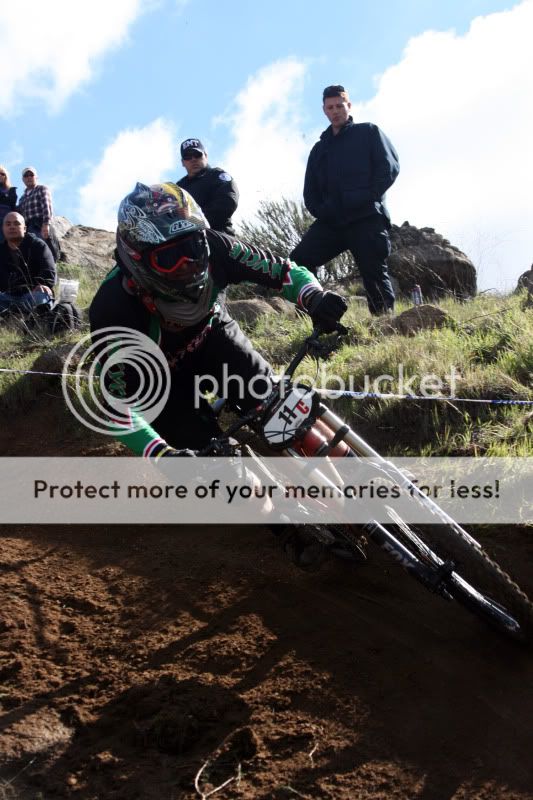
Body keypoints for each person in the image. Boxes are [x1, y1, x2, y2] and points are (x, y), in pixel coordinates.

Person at [89, 182, 347, 459]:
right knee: (215, 470)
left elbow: (284, 272)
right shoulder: (112, 309)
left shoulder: (215, 245)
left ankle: (359, 476)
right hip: (161, 385)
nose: (187, 263)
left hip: (214, 339)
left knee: (288, 413)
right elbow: (118, 406)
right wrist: (161, 454)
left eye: (192, 246)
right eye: (169, 258)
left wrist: (315, 298)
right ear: (137, 259)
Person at [290, 85, 400, 315]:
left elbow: (389, 169)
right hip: (333, 221)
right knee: (299, 261)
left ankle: (384, 324)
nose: (336, 111)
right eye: (330, 107)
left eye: (340, 105)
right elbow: (310, 193)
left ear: (348, 106)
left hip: (366, 217)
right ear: (324, 111)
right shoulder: (319, 150)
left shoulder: (368, 132)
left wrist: (364, 198)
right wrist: (325, 211)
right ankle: (319, 314)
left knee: (374, 272)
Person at [176, 139, 239, 235]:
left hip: (218, 237)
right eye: (187, 157)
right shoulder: (178, 188)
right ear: (182, 162)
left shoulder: (217, 176)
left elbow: (228, 202)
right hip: (187, 242)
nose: (193, 159)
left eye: (197, 155)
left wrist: (194, 220)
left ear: (205, 156)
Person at [0, 212, 56, 317]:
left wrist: (43, 285)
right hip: (6, 297)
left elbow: (49, 271)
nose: (12, 227)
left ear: (25, 228)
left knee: (42, 296)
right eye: (8, 224)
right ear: (3, 229)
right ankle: (12, 316)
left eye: (16, 224)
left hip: (31, 296)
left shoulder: (38, 245)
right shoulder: (1, 251)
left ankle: (39, 322)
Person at [17, 166, 59, 261]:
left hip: (40, 225)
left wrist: (46, 224)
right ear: (23, 179)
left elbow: (46, 206)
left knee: (43, 251)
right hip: (28, 229)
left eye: (31, 175)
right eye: (26, 175)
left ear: (36, 177)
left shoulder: (41, 189)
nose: (29, 177)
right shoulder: (22, 198)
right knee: (31, 254)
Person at [0, 166, 18, 244]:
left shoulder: (11, 191)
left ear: (6, 176)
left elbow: (14, 208)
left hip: (7, 221)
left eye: (2, 174)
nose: (0, 175)